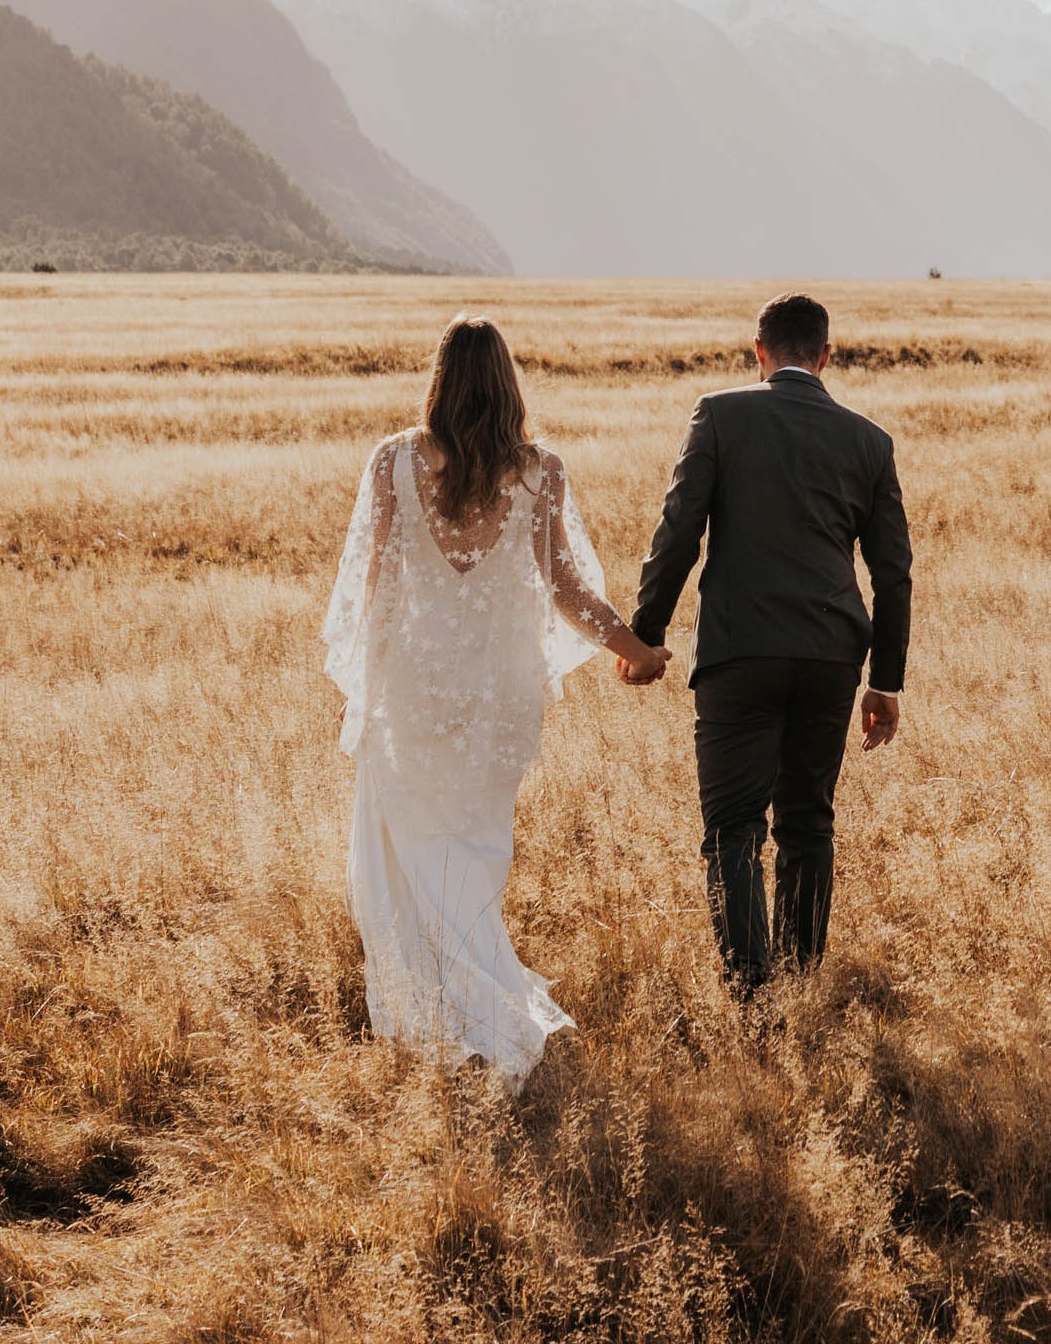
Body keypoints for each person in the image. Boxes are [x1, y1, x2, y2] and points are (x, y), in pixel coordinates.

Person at [323, 314, 668, 1081]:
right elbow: (567, 588)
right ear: (508, 384)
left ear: (440, 380)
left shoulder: (392, 464)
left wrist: (363, 690)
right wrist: (635, 650)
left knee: (408, 858)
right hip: (496, 698)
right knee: (472, 856)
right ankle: (484, 1007)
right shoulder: (539, 471)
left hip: (412, 691)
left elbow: (372, 586)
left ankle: (459, 1020)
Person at [626, 292, 912, 995]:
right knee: (809, 824)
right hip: (830, 658)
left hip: (738, 653)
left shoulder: (720, 414)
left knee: (733, 827)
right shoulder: (869, 441)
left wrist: (646, 634)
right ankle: (800, 982)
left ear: (759, 353)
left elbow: (679, 532)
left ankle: (752, 999)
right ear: (825, 356)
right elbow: (893, 571)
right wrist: (886, 680)